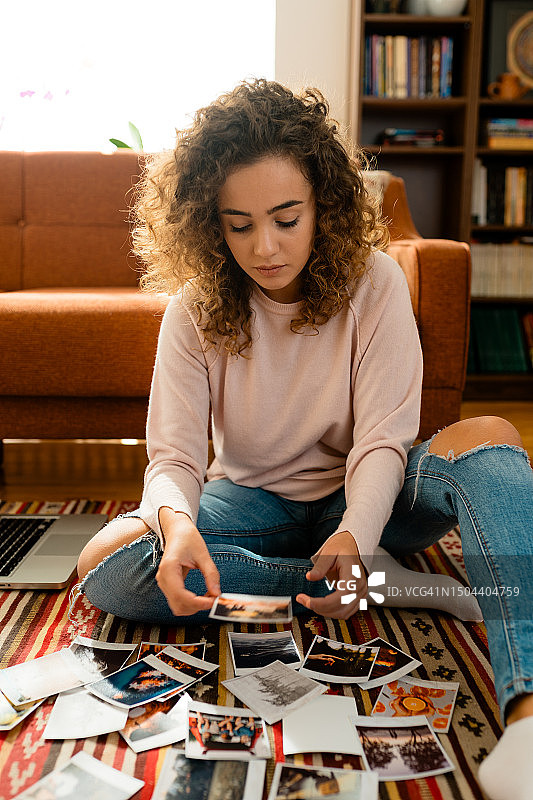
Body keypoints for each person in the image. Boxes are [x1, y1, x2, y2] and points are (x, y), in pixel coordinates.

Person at [76, 80, 533, 800]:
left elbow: (384, 442)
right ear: (209, 225)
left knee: (491, 434)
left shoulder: (375, 283)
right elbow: (172, 458)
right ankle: (388, 585)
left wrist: (354, 535)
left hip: (365, 499)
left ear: (324, 203)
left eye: (287, 218)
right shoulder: (194, 309)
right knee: (108, 562)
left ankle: (528, 716)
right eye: (238, 225)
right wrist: (176, 521)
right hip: (252, 497)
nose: (265, 247)